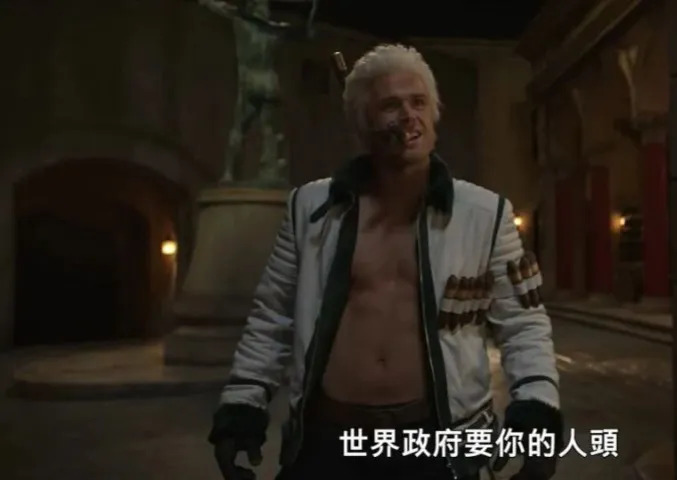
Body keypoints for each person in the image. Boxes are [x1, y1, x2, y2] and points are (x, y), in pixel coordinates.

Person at [207, 44, 563, 480]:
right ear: (363, 122)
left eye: (419, 102)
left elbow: (523, 324)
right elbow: (272, 318)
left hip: (438, 445)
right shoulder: (310, 208)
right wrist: (242, 408)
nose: (409, 116)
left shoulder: (486, 215)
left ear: (434, 115)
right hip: (329, 441)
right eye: (391, 105)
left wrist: (537, 413)